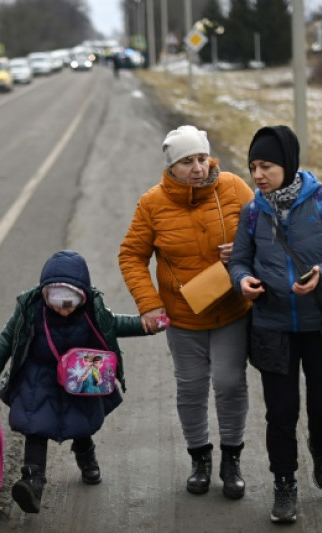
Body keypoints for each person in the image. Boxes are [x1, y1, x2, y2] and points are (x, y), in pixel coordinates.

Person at [227, 125, 322, 523]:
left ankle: (321, 448)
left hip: (321, 324)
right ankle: (283, 484)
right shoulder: (253, 211)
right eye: (253, 166)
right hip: (271, 327)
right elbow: (239, 260)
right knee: (280, 413)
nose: (257, 175)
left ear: (287, 165)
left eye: (266, 165)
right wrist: (242, 281)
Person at [119, 125, 254, 499]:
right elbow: (131, 255)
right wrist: (149, 303)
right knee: (191, 388)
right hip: (184, 316)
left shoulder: (233, 187)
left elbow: (267, 231)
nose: (197, 168)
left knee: (229, 383)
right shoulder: (153, 203)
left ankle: (232, 459)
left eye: (201, 158)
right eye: (186, 161)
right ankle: (200, 459)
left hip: (231, 309)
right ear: (171, 167)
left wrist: (243, 248)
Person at [0, 250, 150, 514]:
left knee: (80, 424)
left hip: (78, 375)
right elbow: (7, 338)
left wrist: (146, 324)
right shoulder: (31, 308)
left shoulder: (92, 311)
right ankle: (32, 481)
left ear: (81, 298)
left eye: (69, 304)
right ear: (45, 294)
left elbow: (116, 324)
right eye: (56, 302)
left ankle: (87, 458)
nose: (62, 309)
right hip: (39, 377)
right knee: (35, 426)